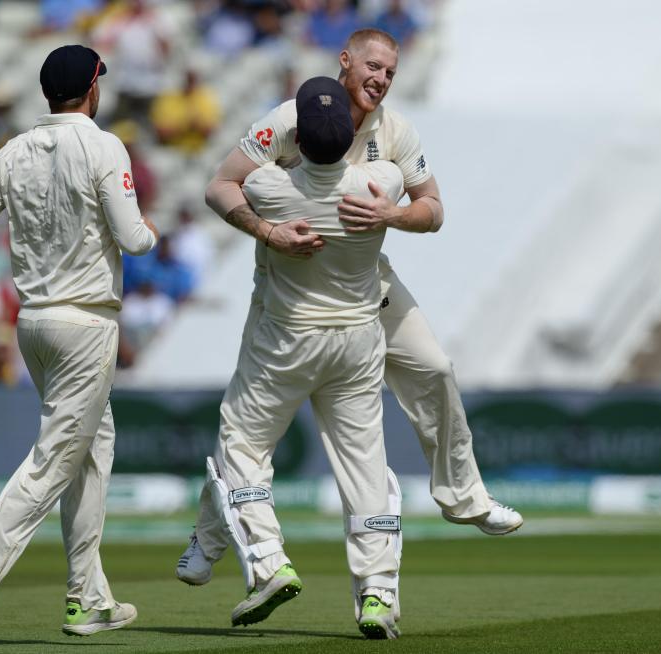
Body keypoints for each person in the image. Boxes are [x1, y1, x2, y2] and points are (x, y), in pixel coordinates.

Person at [177, 26, 522, 592]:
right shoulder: (291, 118)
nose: (382, 80)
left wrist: (392, 217)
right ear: (346, 61)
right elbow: (220, 186)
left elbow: (433, 209)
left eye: (391, 72)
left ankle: (466, 498)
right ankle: (210, 538)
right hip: (286, 286)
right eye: (374, 67)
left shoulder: (398, 132)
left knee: (434, 367)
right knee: (250, 426)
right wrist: (267, 229)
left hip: (370, 284)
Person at [0, 44, 159, 645]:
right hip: (86, 325)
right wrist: (152, 230)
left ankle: (88, 598)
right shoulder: (105, 145)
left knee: (90, 448)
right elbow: (133, 240)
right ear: (93, 88)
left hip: (34, 323)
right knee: (56, 459)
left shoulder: (11, 152)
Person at [193, 76, 408, 638]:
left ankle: (267, 561)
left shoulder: (269, 187)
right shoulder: (380, 180)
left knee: (240, 442)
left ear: (299, 140)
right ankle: (378, 593)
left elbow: (226, 186)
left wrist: (269, 231)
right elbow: (406, 183)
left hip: (288, 341)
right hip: (359, 340)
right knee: (363, 464)